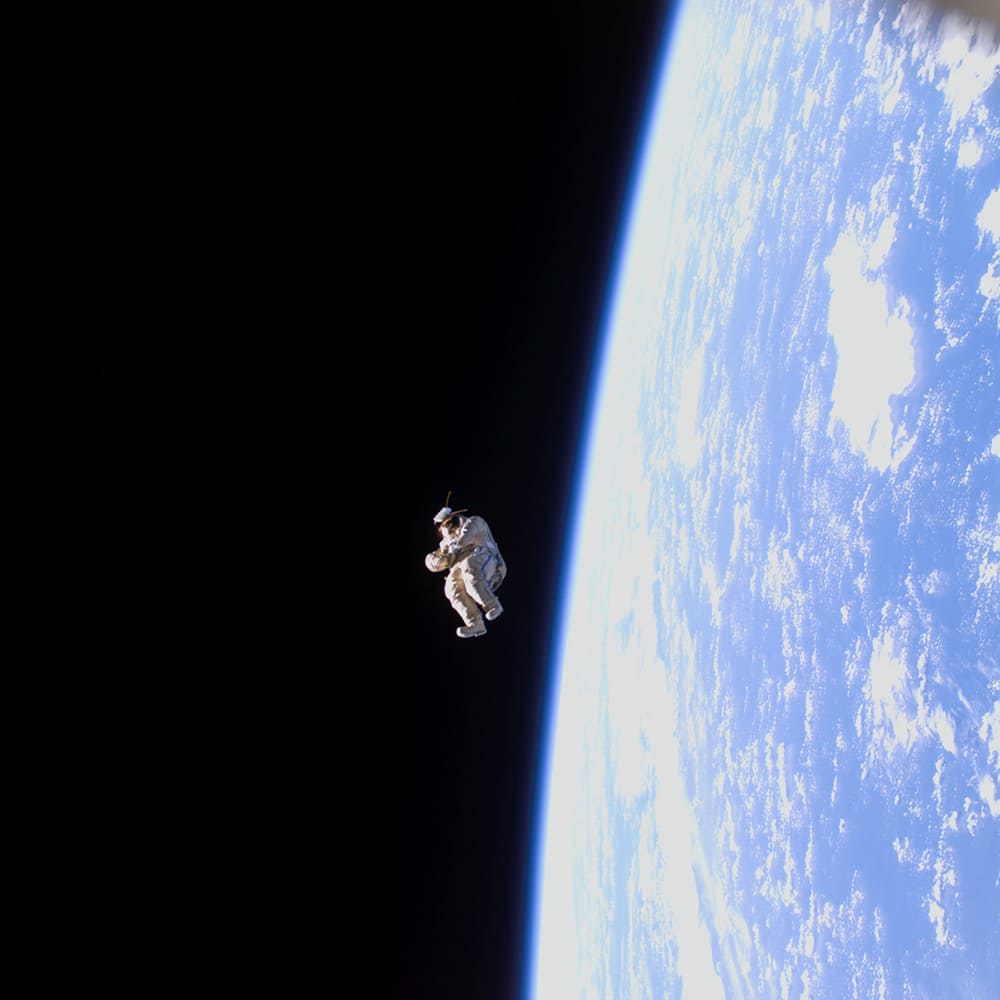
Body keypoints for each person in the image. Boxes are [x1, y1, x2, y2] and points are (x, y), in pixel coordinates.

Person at [425, 505, 506, 638]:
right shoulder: (448, 548)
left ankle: (492, 605)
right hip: (464, 566)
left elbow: (471, 528)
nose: (449, 530)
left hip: (485, 558)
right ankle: (475, 623)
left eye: (450, 525)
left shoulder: (474, 522)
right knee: (451, 586)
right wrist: (442, 554)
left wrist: (459, 542)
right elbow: (432, 563)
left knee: (469, 567)